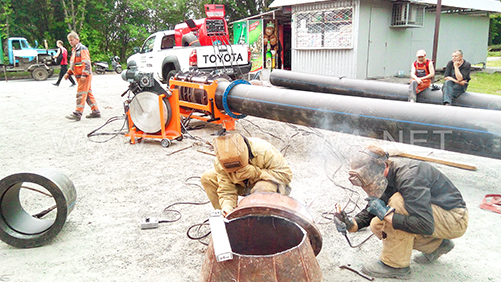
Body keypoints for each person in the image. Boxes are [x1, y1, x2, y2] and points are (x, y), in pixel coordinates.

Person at [334, 143, 468, 279]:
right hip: (434, 216)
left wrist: (386, 214)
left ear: (382, 165)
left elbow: (425, 225)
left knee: (398, 202)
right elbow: (375, 206)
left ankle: (394, 265)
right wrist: (351, 224)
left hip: (454, 218)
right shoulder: (385, 176)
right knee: (377, 225)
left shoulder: (409, 177)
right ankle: (437, 245)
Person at [201, 133, 292, 216]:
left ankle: (260, 220)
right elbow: (226, 191)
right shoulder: (221, 161)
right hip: (244, 187)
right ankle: (228, 219)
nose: (236, 172)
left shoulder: (264, 150)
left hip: (268, 185)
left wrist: (257, 173)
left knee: (262, 187)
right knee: (207, 177)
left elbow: (286, 176)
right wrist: (227, 208)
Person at [64, 31, 101, 121]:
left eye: (71, 40)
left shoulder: (82, 49)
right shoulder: (74, 50)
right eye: (69, 41)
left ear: (77, 39)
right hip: (80, 76)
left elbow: (86, 62)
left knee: (81, 94)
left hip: (83, 76)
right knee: (87, 94)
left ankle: (78, 113)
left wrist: (84, 74)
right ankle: (95, 111)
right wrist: (68, 73)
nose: (70, 42)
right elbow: (74, 64)